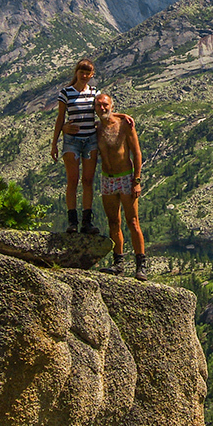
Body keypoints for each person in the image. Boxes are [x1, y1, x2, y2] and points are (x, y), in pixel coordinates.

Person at [94, 91, 148, 280]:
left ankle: (141, 265)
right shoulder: (96, 128)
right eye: (99, 105)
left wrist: (137, 180)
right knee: (113, 223)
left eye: (105, 105)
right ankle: (119, 263)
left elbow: (137, 152)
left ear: (112, 106)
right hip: (107, 179)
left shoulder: (125, 125)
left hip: (126, 177)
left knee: (133, 222)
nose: (102, 108)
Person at [50, 59, 100, 234]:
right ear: (76, 72)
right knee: (72, 180)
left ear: (92, 75)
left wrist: (123, 116)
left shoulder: (95, 93)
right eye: (82, 72)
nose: (85, 76)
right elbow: (60, 118)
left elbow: (104, 112)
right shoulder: (66, 93)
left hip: (90, 141)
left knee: (88, 181)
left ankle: (86, 222)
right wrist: (55, 142)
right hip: (72, 141)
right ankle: (72, 222)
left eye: (88, 73)